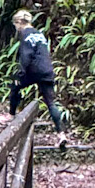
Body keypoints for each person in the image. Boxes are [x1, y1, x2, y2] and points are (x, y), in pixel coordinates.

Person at [9, 9, 70, 145]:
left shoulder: (25, 34)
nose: (16, 28)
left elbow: (26, 56)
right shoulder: (40, 34)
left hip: (33, 71)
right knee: (51, 103)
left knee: (15, 86)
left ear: (19, 23)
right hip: (47, 70)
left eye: (16, 25)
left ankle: (11, 115)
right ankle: (61, 134)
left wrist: (20, 74)